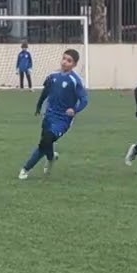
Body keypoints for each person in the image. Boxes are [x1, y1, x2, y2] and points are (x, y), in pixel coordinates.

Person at [19, 49, 88, 180]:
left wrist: (75, 110)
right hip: (49, 115)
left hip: (63, 120)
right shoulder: (53, 76)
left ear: (74, 64)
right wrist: (39, 105)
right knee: (45, 142)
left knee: (46, 141)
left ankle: (26, 169)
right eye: (64, 59)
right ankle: (51, 158)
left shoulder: (75, 80)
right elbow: (46, 91)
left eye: (69, 61)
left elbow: (85, 100)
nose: (65, 62)